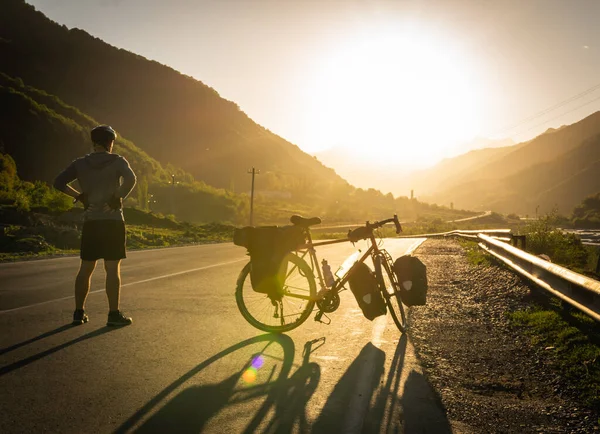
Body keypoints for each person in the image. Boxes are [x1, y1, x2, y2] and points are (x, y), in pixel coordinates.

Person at [54, 125, 137, 326]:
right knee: (112, 268)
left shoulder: (80, 163)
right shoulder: (117, 161)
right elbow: (131, 179)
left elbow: (58, 182)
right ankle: (113, 314)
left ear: (93, 142)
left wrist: (80, 197)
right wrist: (116, 198)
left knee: (86, 268)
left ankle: (78, 312)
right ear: (111, 142)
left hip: (91, 221)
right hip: (113, 221)